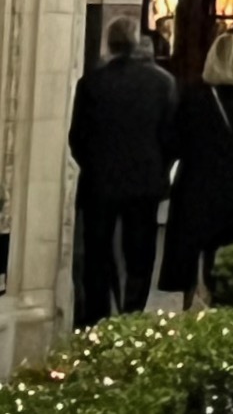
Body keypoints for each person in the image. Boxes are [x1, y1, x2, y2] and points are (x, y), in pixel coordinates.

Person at [68, 17, 177, 323]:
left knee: (97, 252)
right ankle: (132, 313)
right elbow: (171, 138)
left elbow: (77, 137)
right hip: (145, 181)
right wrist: (159, 168)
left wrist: (94, 164)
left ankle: (96, 316)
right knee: (139, 252)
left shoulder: (91, 83)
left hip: (99, 182)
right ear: (136, 43)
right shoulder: (162, 83)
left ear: (110, 44)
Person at [167, 30, 233, 303]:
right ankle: (216, 299)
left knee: (188, 247)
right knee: (222, 250)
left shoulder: (193, 96)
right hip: (230, 184)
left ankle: (187, 301)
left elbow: (175, 140)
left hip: (194, 180)